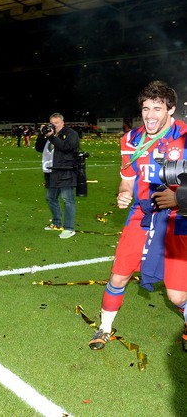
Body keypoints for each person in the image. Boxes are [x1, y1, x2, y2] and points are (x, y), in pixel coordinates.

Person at [89, 81, 187, 350]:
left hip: (179, 219)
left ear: (171, 109)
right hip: (141, 215)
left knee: (178, 296)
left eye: (157, 108)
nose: (150, 115)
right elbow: (127, 178)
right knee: (118, 276)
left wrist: (178, 197)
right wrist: (124, 192)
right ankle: (104, 328)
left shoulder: (185, 136)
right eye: (146, 108)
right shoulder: (131, 139)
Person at [35, 113, 79, 239]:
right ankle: (56, 223)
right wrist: (42, 134)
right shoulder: (49, 134)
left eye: (57, 123)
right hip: (51, 171)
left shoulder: (70, 134)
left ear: (62, 122)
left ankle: (69, 228)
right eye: (52, 123)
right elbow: (38, 148)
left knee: (67, 200)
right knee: (51, 197)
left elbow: (66, 147)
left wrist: (52, 136)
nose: (54, 125)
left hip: (65, 170)